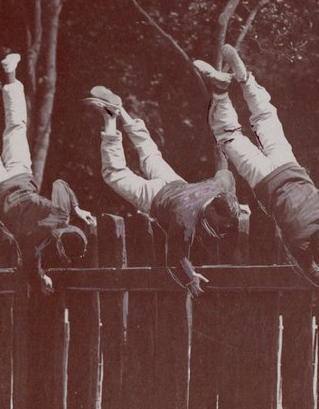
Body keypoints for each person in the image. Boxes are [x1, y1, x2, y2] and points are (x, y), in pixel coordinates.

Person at [198, 45, 319, 296]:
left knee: (265, 116)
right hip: (263, 179)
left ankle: (244, 78)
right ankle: (221, 93)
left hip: (288, 164)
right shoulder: (299, 241)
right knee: (228, 136)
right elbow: (309, 269)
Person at [86, 85, 247, 296]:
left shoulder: (220, 187)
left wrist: (238, 206)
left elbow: (226, 174)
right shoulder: (185, 219)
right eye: (220, 221)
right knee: (115, 174)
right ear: (213, 210)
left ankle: (121, 110)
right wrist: (190, 277)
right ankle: (110, 119)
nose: (222, 226)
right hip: (155, 196)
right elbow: (177, 255)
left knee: (150, 153)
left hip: (175, 184)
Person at [0, 52, 93, 294]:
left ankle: (10, 75)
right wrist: (41, 279)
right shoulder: (38, 240)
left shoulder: (60, 215)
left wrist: (77, 208)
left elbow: (60, 184)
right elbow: (30, 261)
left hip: (22, 176)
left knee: (15, 129)